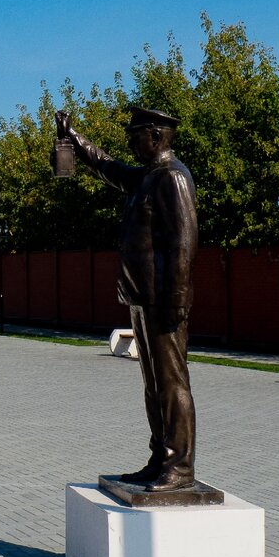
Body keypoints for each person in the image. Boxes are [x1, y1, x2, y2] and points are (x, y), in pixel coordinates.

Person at [56, 106, 199, 492]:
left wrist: (178, 298)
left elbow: (183, 243)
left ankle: (181, 467)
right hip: (142, 297)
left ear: (156, 136)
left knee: (172, 384)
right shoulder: (146, 178)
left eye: (135, 135)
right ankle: (161, 458)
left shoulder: (172, 178)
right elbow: (106, 165)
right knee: (153, 384)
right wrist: (73, 138)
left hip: (163, 300)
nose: (130, 142)